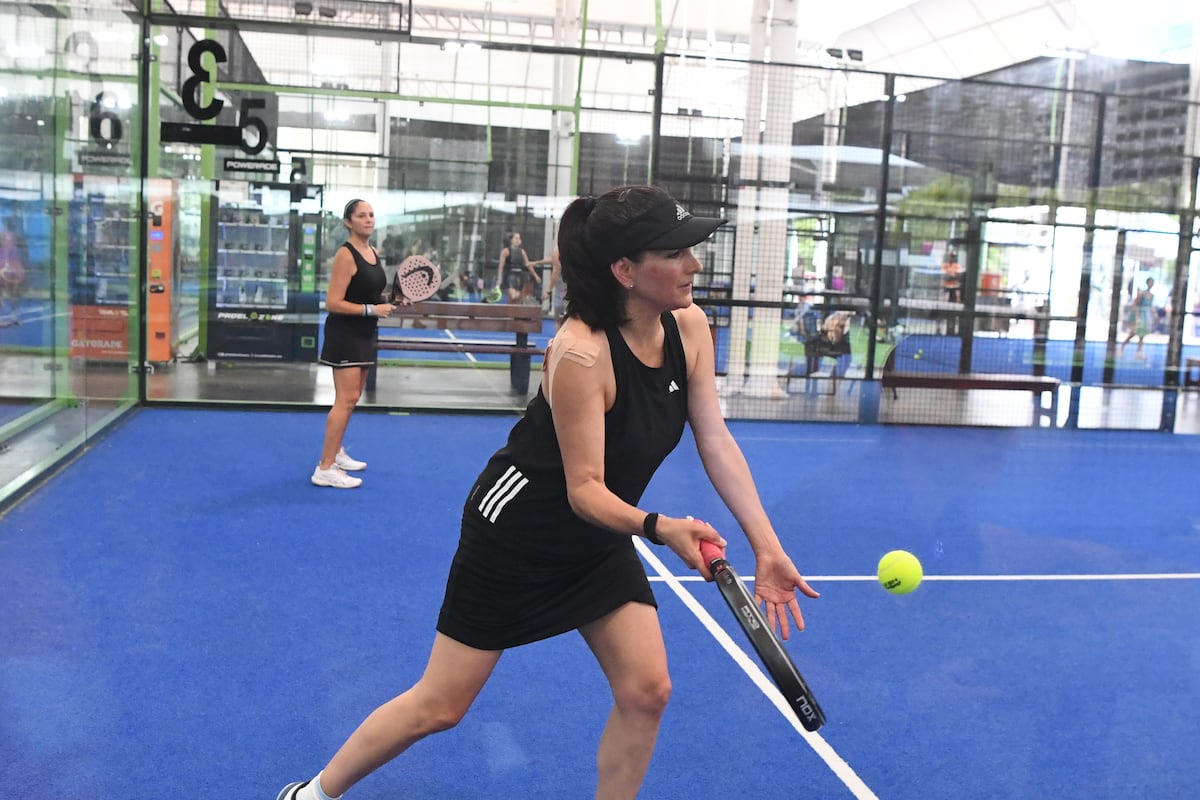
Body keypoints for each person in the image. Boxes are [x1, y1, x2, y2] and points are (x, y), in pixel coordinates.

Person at [276, 185, 820, 800]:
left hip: (600, 532)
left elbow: (714, 437)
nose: (694, 264)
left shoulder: (690, 328)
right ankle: (312, 794)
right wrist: (660, 526)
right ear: (625, 271)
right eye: (675, 252)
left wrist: (766, 545)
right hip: (518, 529)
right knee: (441, 705)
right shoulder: (580, 353)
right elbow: (583, 488)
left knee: (647, 691)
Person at [311, 199, 396, 489]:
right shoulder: (345, 255)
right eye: (361, 215)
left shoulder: (372, 252)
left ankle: (336, 453)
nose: (368, 219)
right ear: (349, 222)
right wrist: (372, 310)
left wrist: (387, 302)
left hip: (364, 333)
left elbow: (370, 293)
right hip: (345, 335)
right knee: (344, 400)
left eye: (371, 214)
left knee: (353, 397)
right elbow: (333, 302)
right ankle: (324, 468)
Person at [498, 231, 550, 304]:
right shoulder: (506, 251)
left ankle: (514, 313)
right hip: (509, 276)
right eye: (516, 238)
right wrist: (499, 278)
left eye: (519, 238)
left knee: (517, 298)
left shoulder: (522, 251)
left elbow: (528, 264)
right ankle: (510, 310)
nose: (517, 240)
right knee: (513, 296)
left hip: (519, 277)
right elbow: (501, 265)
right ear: (511, 240)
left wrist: (536, 276)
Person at [0, 216, 27, 325]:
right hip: (12, 267)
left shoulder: (3, 237)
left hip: (6, 267)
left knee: (5, 291)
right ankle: (14, 314)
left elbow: (24, 252)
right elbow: (25, 252)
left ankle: (13, 313)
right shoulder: (18, 238)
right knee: (12, 292)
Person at [1121, 276, 1155, 360]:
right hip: (1139, 316)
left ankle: (1139, 352)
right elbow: (1135, 304)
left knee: (1142, 335)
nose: (1151, 284)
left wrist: (1154, 315)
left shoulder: (1152, 295)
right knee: (1133, 333)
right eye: (1150, 282)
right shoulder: (1141, 293)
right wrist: (1137, 316)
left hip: (1146, 317)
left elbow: (1150, 307)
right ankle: (1122, 347)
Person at [542, 245, 565, 321]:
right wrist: (536, 263)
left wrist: (549, 290)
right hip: (571, 287)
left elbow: (556, 270)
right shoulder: (576, 248)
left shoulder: (557, 251)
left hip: (563, 289)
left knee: (559, 320)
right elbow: (553, 261)